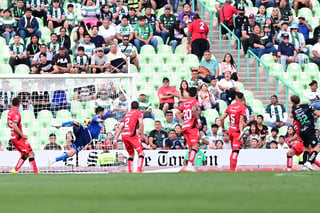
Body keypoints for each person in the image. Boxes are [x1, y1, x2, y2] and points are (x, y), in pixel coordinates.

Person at [48, 106, 113, 166]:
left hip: (84, 140)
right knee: (75, 123)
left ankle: (53, 160)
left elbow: (110, 112)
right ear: (100, 112)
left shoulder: (103, 117)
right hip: (85, 132)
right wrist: (101, 120)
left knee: (71, 153)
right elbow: (97, 119)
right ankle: (59, 125)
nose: (104, 113)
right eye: (103, 112)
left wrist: (115, 109)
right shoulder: (96, 117)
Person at [7, 97, 38, 174]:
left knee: (25, 154)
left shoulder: (9, 112)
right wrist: (22, 135)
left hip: (13, 137)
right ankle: (36, 172)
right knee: (31, 153)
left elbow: (8, 124)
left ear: (11, 103)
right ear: (19, 104)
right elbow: (14, 125)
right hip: (18, 137)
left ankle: (15, 170)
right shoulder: (16, 113)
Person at [289, 95, 320, 170]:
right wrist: (316, 116)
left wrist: (313, 117)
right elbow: (318, 113)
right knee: (317, 147)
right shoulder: (307, 106)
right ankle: (309, 162)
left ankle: (304, 166)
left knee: (306, 148)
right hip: (310, 129)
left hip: (302, 131)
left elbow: (300, 117)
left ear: (292, 102)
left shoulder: (294, 112)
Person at [114, 101, 144, 172]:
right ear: (138, 107)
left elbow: (120, 128)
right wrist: (141, 132)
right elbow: (141, 122)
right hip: (131, 135)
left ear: (131, 107)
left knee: (131, 154)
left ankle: (130, 170)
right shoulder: (138, 112)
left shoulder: (127, 115)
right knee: (141, 153)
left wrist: (115, 139)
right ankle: (139, 169)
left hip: (124, 136)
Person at [175, 87, 201, 171]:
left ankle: (190, 164)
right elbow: (194, 109)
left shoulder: (184, 102)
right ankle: (190, 165)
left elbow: (177, 113)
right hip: (192, 126)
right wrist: (199, 120)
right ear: (196, 94)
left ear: (189, 94)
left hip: (185, 127)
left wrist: (183, 122)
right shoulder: (195, 101)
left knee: (190, 147)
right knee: (196, 146)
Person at [220, 92, 247, 171]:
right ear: (242, 99)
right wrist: (241, 132)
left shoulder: (230, 106)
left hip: (230, 130)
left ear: (236, 98)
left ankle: (233, 168)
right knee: (235, 151)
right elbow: (241, 121)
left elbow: (221, 119)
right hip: (237, 131)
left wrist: (223, 128)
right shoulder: (242, 107)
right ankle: (232, 169)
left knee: (233, 150)